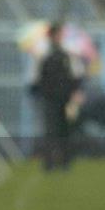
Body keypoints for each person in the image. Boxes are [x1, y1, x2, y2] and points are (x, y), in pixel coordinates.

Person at [37, 22, 82, 171]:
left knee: (65, 130)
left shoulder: (67, 54)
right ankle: (49, 163)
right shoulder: (44, 54)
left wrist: (75, 92)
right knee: (50, 130)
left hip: (65, 98)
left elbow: (75, 75)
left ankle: (65, 162)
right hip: (49, 98)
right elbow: (38, 78)